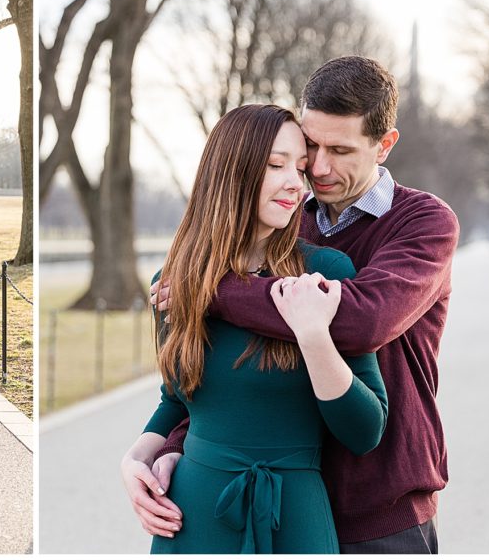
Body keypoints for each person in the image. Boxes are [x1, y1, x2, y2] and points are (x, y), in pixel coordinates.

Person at [130, 56, 459, 553]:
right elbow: (207, 385)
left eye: (340, 150)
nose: (318, 169)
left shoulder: (422, 222)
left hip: (381, 503)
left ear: (384, 145)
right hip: (284, 496)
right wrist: (167, 450)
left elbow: (362, 319)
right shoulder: (285, 225)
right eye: (310, 149)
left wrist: (208, 288)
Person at [121, 103, 388, 553]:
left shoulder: (323, 273)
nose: (295, 182)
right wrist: (136, 458)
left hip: (295, 517)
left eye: (299, 168)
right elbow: (176, 398)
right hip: (190, 516)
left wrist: (313, 335)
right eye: (275, 164)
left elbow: (366, 430)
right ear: (231, 171)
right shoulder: (172, 283)